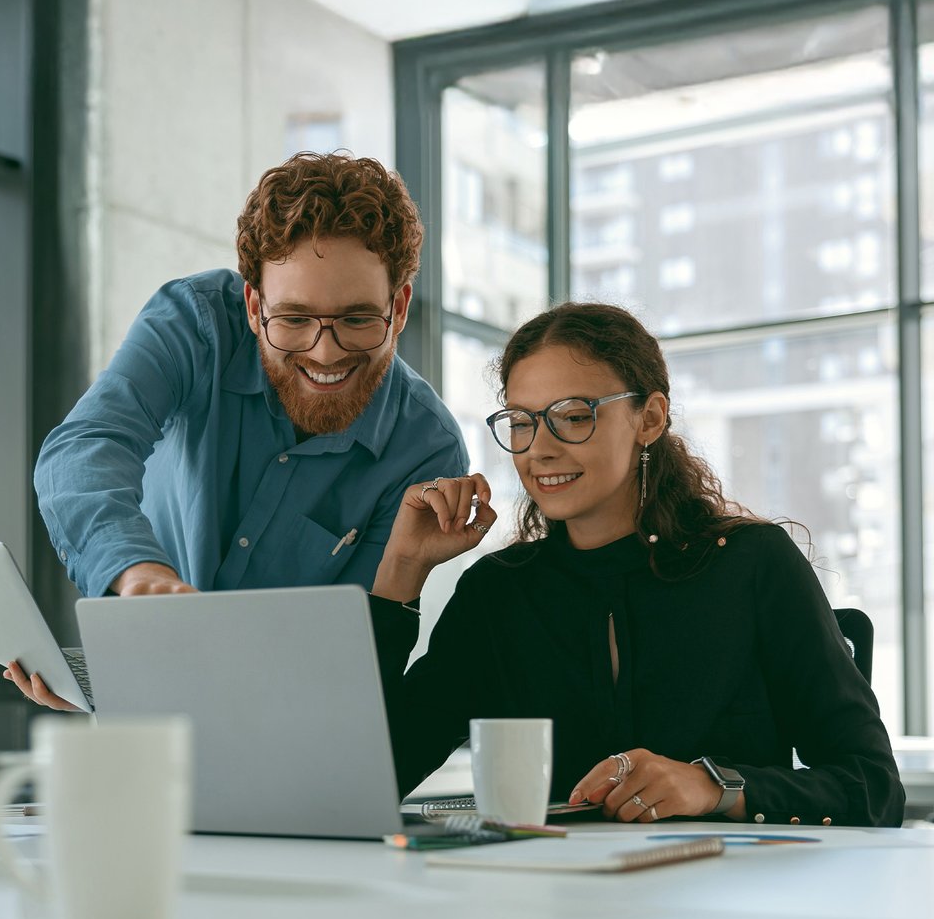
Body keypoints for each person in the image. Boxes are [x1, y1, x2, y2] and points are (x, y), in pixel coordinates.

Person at [370, 302, 902, 826]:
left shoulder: (752, 566)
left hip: (724, 901)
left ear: (649, 418)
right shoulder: (497, 594)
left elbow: (872, 786)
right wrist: (402, 570)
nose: (539, 450)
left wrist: (712, 787)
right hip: (551, 901)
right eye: (521, 422)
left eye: (573, 417)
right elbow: (374, 777)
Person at [6, 151, 469, 708]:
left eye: (357, 319)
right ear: (253, 305)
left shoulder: (426, 449)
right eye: (294, 319)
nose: (326, 352)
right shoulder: (194, 324)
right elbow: (87, 446)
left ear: (399, 307)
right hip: (142, 699)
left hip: (283, 728)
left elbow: (347, 663)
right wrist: (136, 573)